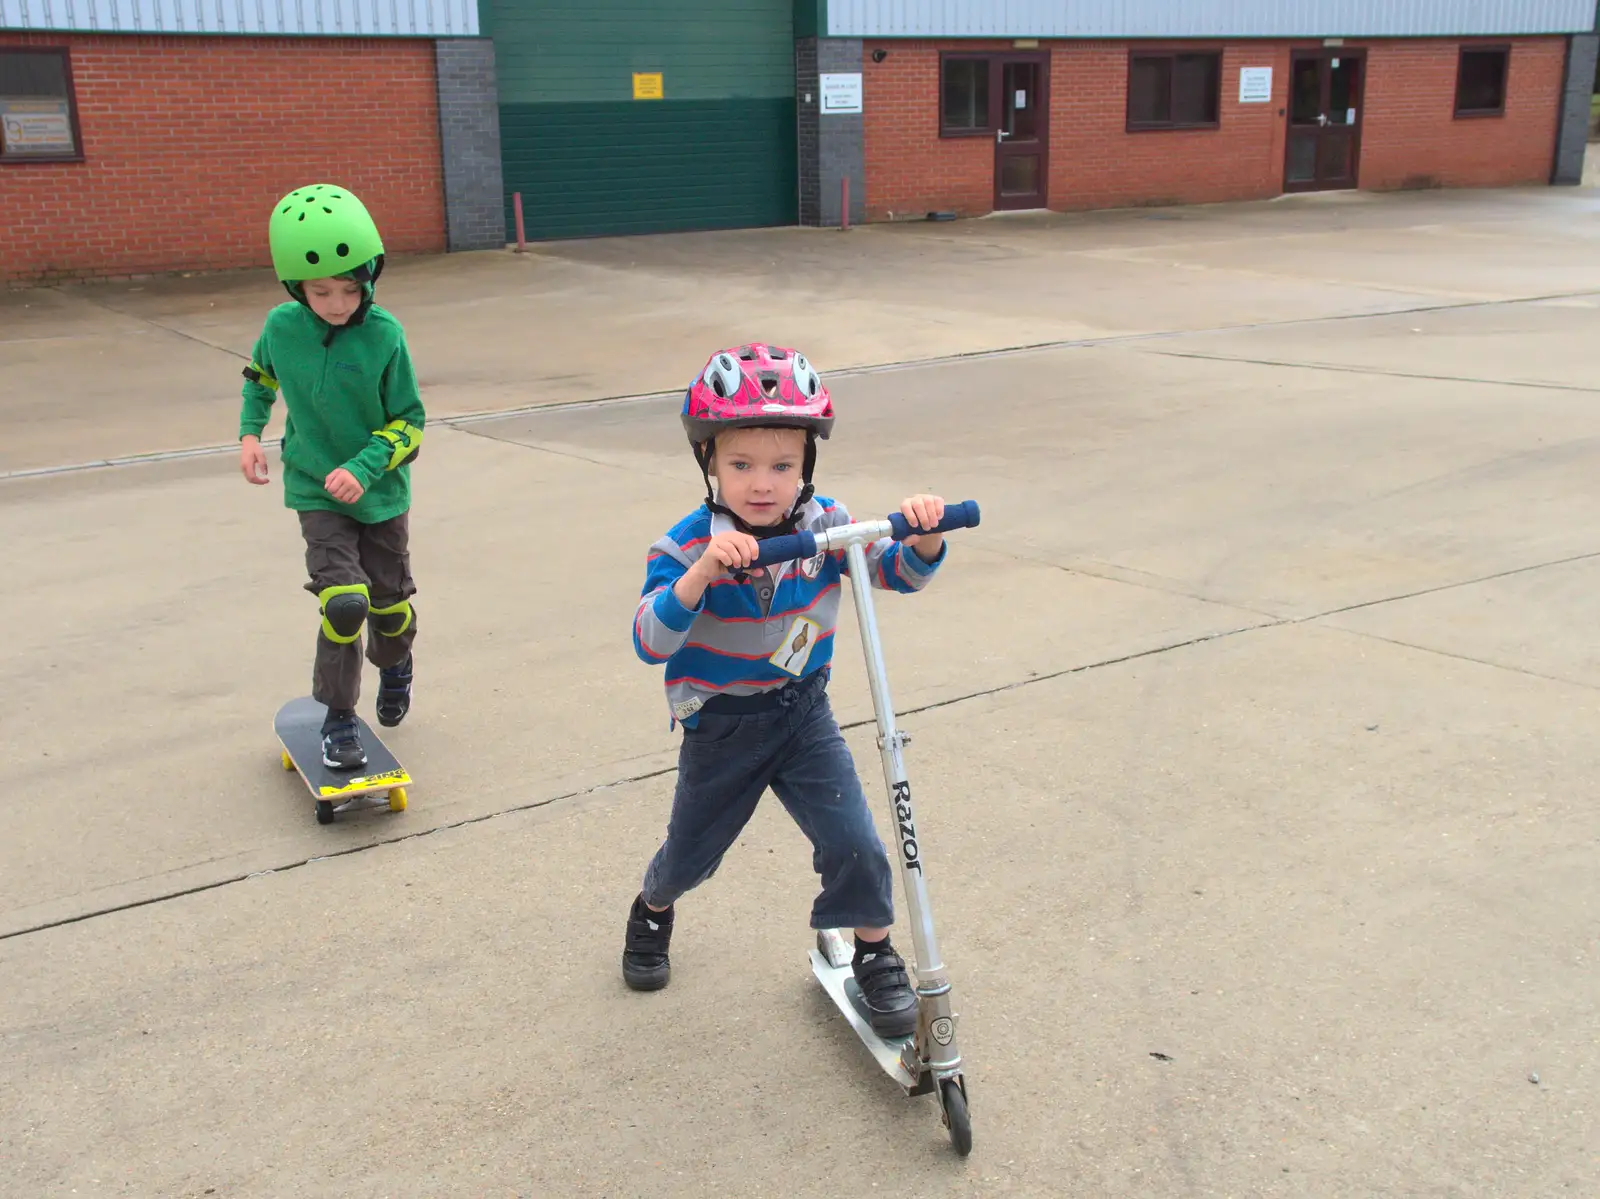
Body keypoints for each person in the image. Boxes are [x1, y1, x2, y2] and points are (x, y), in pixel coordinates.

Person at [623, 342, 949, 1039]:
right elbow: (650, 639)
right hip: (722, 728)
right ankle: (653, 906)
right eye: (740, 465)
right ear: (708, 462)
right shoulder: (685, 546)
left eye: (782, 466)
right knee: (689, 856)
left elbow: (894, 574)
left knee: (856, 840)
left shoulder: (826, 525)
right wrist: (702, 576)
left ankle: (874, 950)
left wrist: (921, 540)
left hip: (804, 714)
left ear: (807, 467)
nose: (762, 483)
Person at [237, 184, 424, 769]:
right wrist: (250, 434)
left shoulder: (385, 335)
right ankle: (339, 718)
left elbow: (411, 424)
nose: (339, 303)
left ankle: (396, 662)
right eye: (322, 291)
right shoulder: (281, 327)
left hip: (381, 495)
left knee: (388, 609)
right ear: (296, 287)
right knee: (344, 605)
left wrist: (365, 468)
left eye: (352, 289)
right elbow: (260, 377)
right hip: (315, 488)